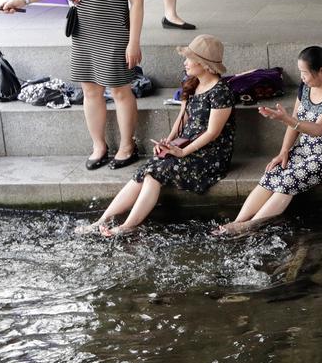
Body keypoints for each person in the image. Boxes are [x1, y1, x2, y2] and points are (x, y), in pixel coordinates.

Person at [0, 0, 145, 171]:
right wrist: (22, 0)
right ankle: (99, 146)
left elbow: (136, 3)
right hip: (84, 30)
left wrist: (133, 42)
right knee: (90, 90)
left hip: (114, 33)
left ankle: (127, 146)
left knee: (119, 90)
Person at [77, 35, 235, 235]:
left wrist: (182, 152)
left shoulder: (221, 91)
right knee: (147, 169)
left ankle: (127, 226)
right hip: (185, 147)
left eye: (189, 59)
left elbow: (213, 133)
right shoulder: (192, 83)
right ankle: (102, 221)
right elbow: (182, 119)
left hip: (209, 154)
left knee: (154, 173)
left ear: (204, 64)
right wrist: (168, 142)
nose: (185, 62)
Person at [217, 47, 322, 235]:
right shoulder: (306, 87)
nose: (302, 77)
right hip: (306, 150)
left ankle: (249, 227)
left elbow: (318, 129)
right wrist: (284, 151)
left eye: (305, 72)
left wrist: (285, 118)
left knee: (289, 180)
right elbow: (296, 119)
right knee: (273, 172)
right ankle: (238, 221)